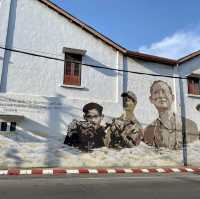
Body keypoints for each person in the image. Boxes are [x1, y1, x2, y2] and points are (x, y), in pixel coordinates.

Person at [144, 80, 199, 150]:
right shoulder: (148, 131)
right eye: (156, 92)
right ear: (151, 99)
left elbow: (193, 153)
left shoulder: (190, 125)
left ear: (172, 97)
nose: (160, 96)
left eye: (164, 91)